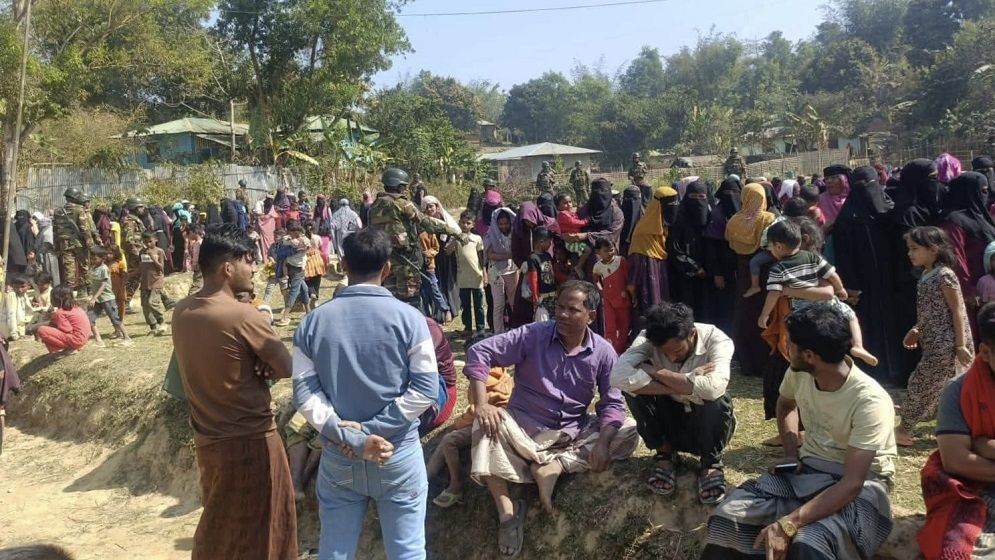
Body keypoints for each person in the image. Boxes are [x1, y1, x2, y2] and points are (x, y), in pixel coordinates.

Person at [701, 302, 897, 560]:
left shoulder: (870, 401)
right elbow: (785, 404)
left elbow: (852, 483)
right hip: (807, 471)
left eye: (790, 343)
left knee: (810, 542)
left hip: (863, 484)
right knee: (728, 516)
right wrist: (792, 454)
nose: (785, 347)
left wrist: (789, 523)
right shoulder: (800, 373)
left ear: (809, 355)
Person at [292, 228, 437, 560]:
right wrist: (372, 433)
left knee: (335, 550)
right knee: (407, 552)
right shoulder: (412, 320)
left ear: (343, 264)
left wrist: (351, 436)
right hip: (395, 452)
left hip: (339, 454)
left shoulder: (312, 323)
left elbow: (304, 393)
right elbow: (426, 389)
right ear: (387, 269)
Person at [465, 280, 639, 556]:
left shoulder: (604, 352)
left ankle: (555, 466)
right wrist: (482, 403)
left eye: (572, 309)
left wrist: (604, 442)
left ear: (590, 316)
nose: (563, 315)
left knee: (627, 431)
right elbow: (479, 352)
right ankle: (508, 514)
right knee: (485, 426)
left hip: (570, 436)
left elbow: (612, 403)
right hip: (522, 430)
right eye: (559, 307)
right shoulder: (534, 334)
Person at [171, 224, 297, 560]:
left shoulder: (182, 311)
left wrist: (256, 361)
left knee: (221, 523)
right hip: (251, 440)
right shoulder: (243, 316)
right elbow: (287, 368)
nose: (254, 268)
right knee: (264, 528)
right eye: (249, 261)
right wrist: (264, 360)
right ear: (228, 268)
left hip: (208, 439)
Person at [611, 301, 735, 504]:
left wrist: (655, 372)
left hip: (705, 423)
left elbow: (714, 388)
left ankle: (711, 462)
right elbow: (618, 378)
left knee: (716, 399)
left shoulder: (717, 339)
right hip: (668, 417)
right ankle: (665, 454)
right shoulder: (646, 339)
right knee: (632, 391)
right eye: (664, 352)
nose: (670, 356)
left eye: (676, 351)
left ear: (692, 333)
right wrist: (687, 383)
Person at [917, 302, 995, 560]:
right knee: (954, 550)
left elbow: (977, 451)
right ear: (984, 352)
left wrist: (984, 446)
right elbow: (956, 460)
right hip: (976, 490)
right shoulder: (959, 391)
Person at [757, 220, 879, 366]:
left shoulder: (778, 269)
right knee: (850, 315)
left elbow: (774, 293)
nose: (771, 252)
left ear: (778, 246)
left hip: (801, 308)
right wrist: (840, 289)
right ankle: (858, 345)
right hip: (826, 305)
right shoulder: (813, 258)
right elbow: (831, 275)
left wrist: (765, 314)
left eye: (770, 247)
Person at [898, 226, 974, 447]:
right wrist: (917, 330)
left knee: (921, 383)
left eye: (914, 248)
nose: (910, 253)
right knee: (945, 386)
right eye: (908, 249)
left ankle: (904, 428)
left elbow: (957, 310)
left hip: (947, 344)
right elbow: (931, 311)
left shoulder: (944, 275)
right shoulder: (926, 275)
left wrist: (960, 345)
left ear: (932, 250)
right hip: (935, 343)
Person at [427, 336, 515, 509]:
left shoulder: (483, 380)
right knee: (445, 440)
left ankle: (455, 485)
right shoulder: (501, 371)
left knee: (448, 440)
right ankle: (425, 479)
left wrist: (458, 423)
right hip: (498, 420)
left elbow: (478, 411)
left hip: (493, 424)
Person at [832, 166, 901, 381]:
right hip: (864, 283)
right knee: (868, 324)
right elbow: (843, 255)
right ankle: (873, 369)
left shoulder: (889, 210)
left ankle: (896, 369)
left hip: (890, 279)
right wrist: (850, 284)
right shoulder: (847, 218)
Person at [367, 168, 463, 305]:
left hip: (385, 261)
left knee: (389, 300)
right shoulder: (402, 203)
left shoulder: (374, 206)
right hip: (405, 261)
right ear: (399, 186)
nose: (406, 190)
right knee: (410, 299)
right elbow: (427, 223)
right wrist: (454, 231)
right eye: (404, 187)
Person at [941, 171, 995, 339]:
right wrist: (968, 290)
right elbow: (956, 258)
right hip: (974, 294)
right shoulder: (954, 220)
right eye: (982, 191)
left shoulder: (981, 217)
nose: (985, 195)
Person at [628, 186, 679, 312]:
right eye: (670, 203)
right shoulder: (642, 231)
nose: (674, 206)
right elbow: (636, 259)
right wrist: (632, 284)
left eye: (676, 202)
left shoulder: (666, 226)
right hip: (648, 275)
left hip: (665, 274)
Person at [53, 187, 100, 294]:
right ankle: (87, 291)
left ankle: (69, 293)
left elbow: (55, 230)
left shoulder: (58, 211)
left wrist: (56, 246)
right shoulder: (80, 209)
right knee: (85, 267)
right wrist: (90, 245)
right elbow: (84, 229)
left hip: (64, 245)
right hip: (79, 244)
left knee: (69, 270)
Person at [592, 237, 634, 354]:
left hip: (623, 299)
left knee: (624, 326)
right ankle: (610, 351)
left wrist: (632, 295)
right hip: (608, 299)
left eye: (612, 250)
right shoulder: (597, 266)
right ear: (598, 252)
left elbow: (628, 280)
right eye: (606, 251)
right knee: (610, 326)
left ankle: (620, 350)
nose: (610, 253)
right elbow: (596, 280)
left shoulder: (621, 261)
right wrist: (601, 291)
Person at [86, 247, 130, 347]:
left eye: (95, 259)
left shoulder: (104, 269)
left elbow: (103, 284)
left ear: (102, 258)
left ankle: (126, 337)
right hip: (97, 299)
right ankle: (98, 339)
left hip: (107, 298)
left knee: (115, 318)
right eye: (91, 258)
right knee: (89, 318)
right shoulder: (93, 268)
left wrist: (94, 297)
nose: (92, 261)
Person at [452, 211, 486, 337]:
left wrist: (485, 274)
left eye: (468, 223)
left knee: (478, 305)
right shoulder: (457, 238)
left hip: (476, 276)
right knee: (465, 304)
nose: (465, 225)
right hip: (463, 277)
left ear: (473, 225)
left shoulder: (477, 239)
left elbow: (481, 257)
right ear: (459, 222)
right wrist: (454, 238)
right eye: (463, 222)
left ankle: (480, 328)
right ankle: (467, 327)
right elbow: (448, 251)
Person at [484, 207, 518, 335]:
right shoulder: (492, 234)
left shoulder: (515, 233)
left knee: (514, 302)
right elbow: (491, 255)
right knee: (498, 304)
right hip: (496, 273)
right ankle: (498, 332)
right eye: (500, 224)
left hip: (512, 271)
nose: (503, 226)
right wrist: (510, 255)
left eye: (506, 223)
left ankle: (515, 329)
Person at [275, 222, 311, 326]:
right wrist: (297, 245)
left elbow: (306, 247)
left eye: (291, 232)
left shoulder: (301, 240)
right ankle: (286, 316)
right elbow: (294, 245)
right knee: (295, 290)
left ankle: (306, 312)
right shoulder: (289, 240)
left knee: (303, 289)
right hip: (295, 268)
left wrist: (300, 246)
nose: (289, 234)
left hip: (297, 268)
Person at [37, 286, 91, 354]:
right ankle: (60, 351)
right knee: (51, 327)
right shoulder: (76, 307)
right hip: (84, 339)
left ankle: (67, 349)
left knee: (42, 330)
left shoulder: (60, 312)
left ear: (57, 299)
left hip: (76, 340)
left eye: (51, 298)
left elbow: (67, 330)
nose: (51, 300)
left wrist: (54, 320)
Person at [524, 227, 557, 323]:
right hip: (541, 296)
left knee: (553, 321)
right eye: (549, 242)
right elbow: (533, 278)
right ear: (541, 242)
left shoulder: (547, 256)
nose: (550, 245)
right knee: (542, 321)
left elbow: (552, 273)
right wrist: (535, 296)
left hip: (553, 294)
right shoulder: (533, 258)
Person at [138, 230, 168, 336]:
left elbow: (161, 268)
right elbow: (141, 267)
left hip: (156, 281)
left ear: (156, 240)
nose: (148, 244)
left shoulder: (159, 251)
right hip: (145, 282)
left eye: (150, 241)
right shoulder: (142, 252)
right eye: (145, 242)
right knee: (145, 306)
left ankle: (162, 321)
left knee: (152, 302)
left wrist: (152, 258)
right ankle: (153, 327)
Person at [121, 198, 148, 305]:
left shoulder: (135, 219)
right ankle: (124, 302)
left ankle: (125, 302)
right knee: (137, 277)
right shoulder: (130, 221)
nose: (143, 209)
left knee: (149, 272)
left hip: (141, 252)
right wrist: (137, 254)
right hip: (136, 254)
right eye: (140, 207)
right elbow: (129, 240)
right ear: (134, 207)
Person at [186, 225, 204, 295]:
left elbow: (197, 257)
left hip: (199, 268)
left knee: (194, 289)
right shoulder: (201, 242)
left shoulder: (198, 244)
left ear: (193, 232)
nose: (189, 236)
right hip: (202, 267)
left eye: (189, 233)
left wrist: (194, 265)